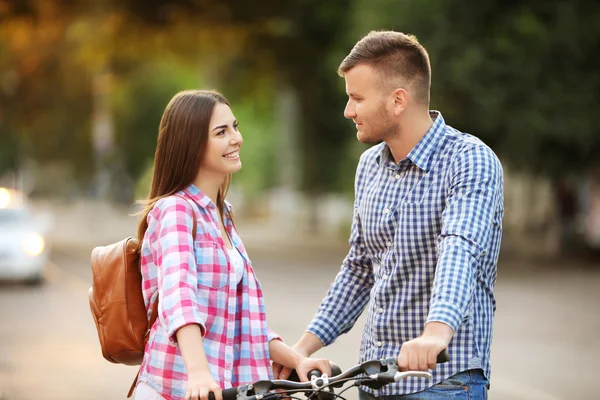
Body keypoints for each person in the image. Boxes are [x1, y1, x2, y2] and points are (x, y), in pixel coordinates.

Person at [273, 31, 504, 399]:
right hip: (373, 380)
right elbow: (359, 268)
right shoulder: (369, 166)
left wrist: (436, 332)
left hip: (441, 382)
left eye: (356, 98)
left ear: (398, 100)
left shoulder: (469, 160)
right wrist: (303, 348)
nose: (348, 111)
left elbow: (460, 249)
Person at [135, 90, 331, 400]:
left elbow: (240, 320)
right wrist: (198, 372)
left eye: (235, 127)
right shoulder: (176, 209)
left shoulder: (221, 214)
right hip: (177, 390)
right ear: (192, 143)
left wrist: (298, 360)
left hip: (224, 390)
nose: (236, 138)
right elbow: (178, 294)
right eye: (221, 132)